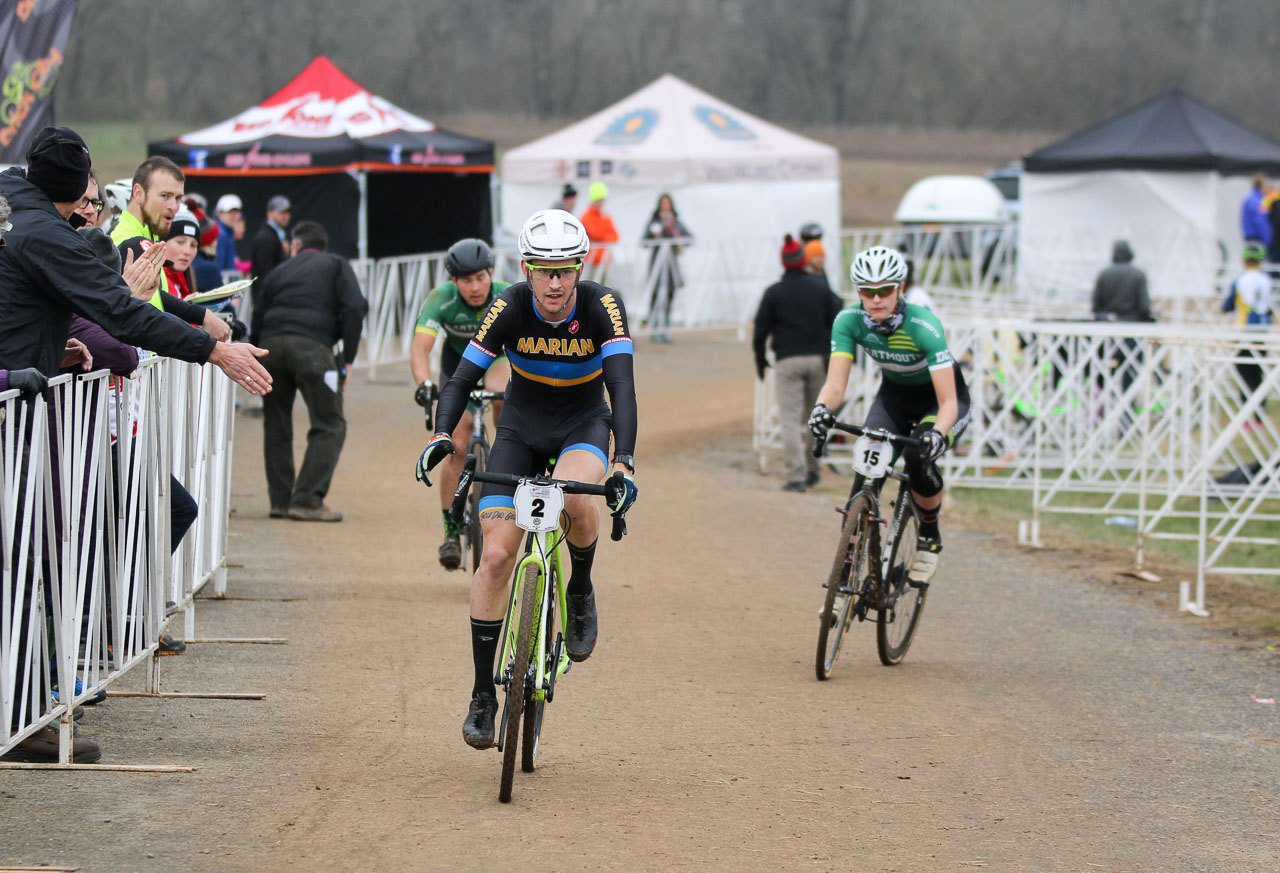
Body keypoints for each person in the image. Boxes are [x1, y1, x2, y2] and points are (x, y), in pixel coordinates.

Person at [415, 208, 638, 750]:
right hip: (519, 427)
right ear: (526, 268)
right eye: (544, 269)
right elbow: (462, 376)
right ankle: (482, 695)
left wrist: (622, 462)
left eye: (566, 269)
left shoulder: (603, 305)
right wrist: (442, 434)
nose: (556, 282)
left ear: (581, 268)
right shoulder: (508, 305)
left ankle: (579, 588)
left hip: (583, 424)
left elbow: (623, 387)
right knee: (494, 557)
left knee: (578, 502)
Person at [808, 245, 971, 587]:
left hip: (938, 402)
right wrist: (822, 410)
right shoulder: (848, 321)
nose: (877, 298)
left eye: (885, 290)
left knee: (916, 457)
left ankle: (929, 534)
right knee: (865, 476)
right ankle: (846, 571)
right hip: (894, 398)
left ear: (901, 289)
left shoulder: (924, 326)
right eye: (868, 291)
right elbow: (835, 385)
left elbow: (948, 403)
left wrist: (937, 434)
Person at [251, 220, 367, 522]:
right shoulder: (336, 264)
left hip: (270, 348)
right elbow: (354, 307)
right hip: (313, 349)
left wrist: (253, 353)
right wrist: (348, 357)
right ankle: (306, 499)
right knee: (330, 423)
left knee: (276, 424)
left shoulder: (277, 271)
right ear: (322, 247)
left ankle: (280, 501)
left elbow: (258, 311)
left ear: (295, 246)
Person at [410, 238, 511, 570]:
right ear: (454, 281)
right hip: (457, 368)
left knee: (502, 392)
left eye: (481, 278)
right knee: (455, 445)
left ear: (491, 273)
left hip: (496, 361)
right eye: (466, 280)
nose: (475, 286)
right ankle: (451, 531)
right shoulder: (441, 299)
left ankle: (505, 445)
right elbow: (421, 347)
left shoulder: (505, 292)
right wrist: (424, 383)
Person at [752, 234, 843, 492]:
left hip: (787, 361)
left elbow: (760, 331)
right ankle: (815, 470)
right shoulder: (820, 288)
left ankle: (797, 476)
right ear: (803, 260)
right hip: (818, 359)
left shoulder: (774, 293)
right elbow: (838, 315)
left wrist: (760, 360)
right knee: (816, 415)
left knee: (790, 420)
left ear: (783, 262)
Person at [1221, 242, 1274, 429]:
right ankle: (1259, 415)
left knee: (1243, 371)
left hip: (1244, 330)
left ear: (1244, 260)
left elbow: (1226, 306)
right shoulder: (1267, 280)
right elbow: (1269, 307)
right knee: (1258, 371)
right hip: (1263, 331)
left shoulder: (1240, 280)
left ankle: (1246, 414)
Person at [641, 192, 692, 343]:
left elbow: (690, 238)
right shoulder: (654, 221)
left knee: (670, 296)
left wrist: (677, 239)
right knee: (656, 296)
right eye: (663, 203)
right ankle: (655, 329)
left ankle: (666, 328)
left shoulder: (676, 222)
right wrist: (655, 237)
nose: (665, 206)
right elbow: (644, 241)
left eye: (667, 203)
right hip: (657, 265)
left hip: (671, 267)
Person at [579, 181, 619, 284]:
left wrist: (603, 237)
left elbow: (615, 236)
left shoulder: (605, 215)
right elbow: (595, 233)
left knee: (605, 288)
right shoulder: (587, 216)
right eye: (600, 199)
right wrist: (604, 235)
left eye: (603, 200)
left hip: (604, 260)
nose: (601, 202)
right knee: (590, 284)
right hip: (591, 260)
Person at [250, 194, 291, 281]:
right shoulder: (265, 238)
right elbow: (266, 273)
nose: (285, 215)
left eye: (287, 212)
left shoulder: (277, 235)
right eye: (281, 212)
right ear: (270, 213)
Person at [213, 193, 245, 275]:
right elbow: (219, 266)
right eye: (230, 212)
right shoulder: (220, 235)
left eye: (236, 212)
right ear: (219, 213)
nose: (234, 216)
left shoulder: (228, 233)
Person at [1241, 174, 1271, 247]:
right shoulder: (1258, 201)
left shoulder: (1250, 198)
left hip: (1251, 237)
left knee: (1252, 258)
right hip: (1256, 239)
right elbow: (1260, 221)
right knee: (1258, 258)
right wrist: (1267, 239)